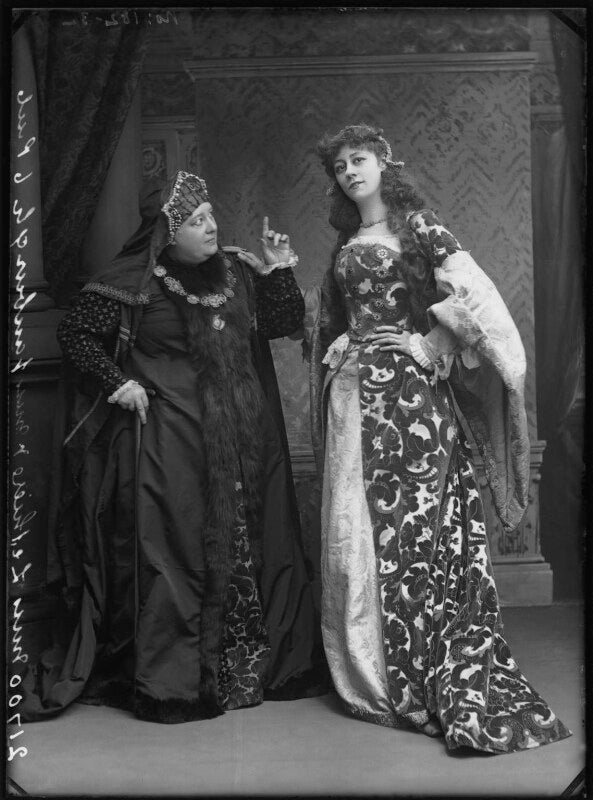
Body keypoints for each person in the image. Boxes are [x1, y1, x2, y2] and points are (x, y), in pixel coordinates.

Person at [22, 170, 325, 723]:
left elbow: (281, 323)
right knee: (180, 550)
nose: (210, 226)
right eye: (195, 220)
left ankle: (263, 670)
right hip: (175, 442)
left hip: (245, 440)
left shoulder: (237, 270)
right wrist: (119, 383)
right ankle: (181, 681)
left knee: (256, 541)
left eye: (210, 215)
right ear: (167, 232)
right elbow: (75, 336)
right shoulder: (133, 283)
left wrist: (281, 268)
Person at [307, 124, 571, 753]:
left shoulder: (419, 227)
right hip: (352, 397)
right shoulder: (348, 240)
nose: (350, 172)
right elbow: (345, 312)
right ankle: (370, 672)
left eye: (359, 159)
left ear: (384, 161)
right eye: (340, 166)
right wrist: (341, 339)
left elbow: (477, 296)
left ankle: (420, 662)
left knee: (413, 529)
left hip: (409, 402)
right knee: (352, 525)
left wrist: (431, 343)